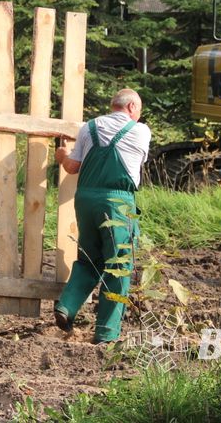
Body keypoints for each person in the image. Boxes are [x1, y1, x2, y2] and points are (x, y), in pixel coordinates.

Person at [53, 88, 151, 344]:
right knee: (118, 266)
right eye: (139, 110)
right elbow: (135, 164)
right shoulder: (140, 131)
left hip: (85, 200)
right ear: (131, 107)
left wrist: (62, 156)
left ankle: (66, 306)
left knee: (89, 259)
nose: (139, 115)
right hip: (117, 202)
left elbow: (72, 167)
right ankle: (106, 333)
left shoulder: (89, 127)